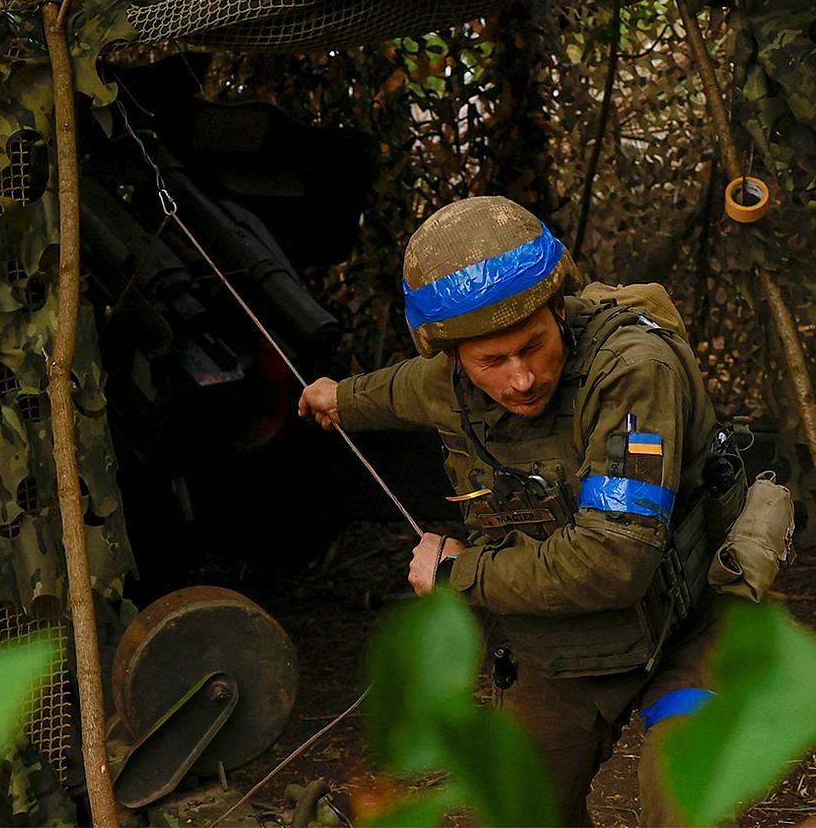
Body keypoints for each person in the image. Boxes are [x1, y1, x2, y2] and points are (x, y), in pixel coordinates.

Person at [298, 196, 746, 827]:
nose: (522, 379)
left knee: (684, 807)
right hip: (563, 650)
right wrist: (336, 398)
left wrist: (461, 574)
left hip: (685, 631)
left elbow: (615, 560)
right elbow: (400, 390)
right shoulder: (443, 380)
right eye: (492, 362)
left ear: (557, 309)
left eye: (534, 346)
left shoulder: (633, 374)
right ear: (452, 357)